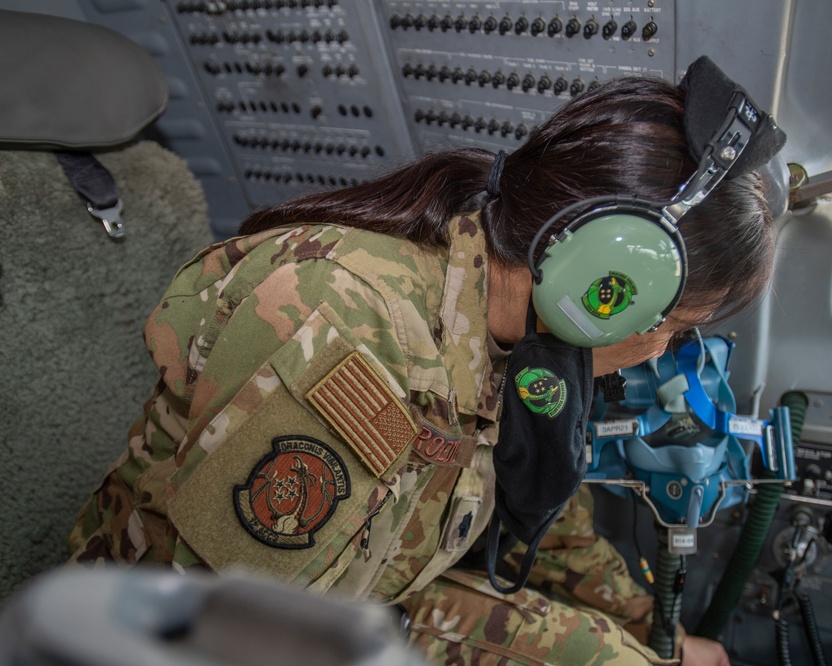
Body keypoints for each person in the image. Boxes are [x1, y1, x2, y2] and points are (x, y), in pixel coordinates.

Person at [68, 58, 784, 665]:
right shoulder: (345, 326)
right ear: (604, 285)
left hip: (364, 594)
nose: (665, 350)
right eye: (677, 326)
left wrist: (653, 632)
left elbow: (547, 513)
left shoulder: (529, 337)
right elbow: (233, 631)